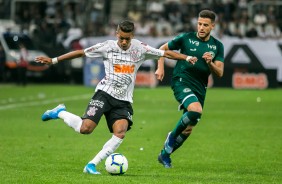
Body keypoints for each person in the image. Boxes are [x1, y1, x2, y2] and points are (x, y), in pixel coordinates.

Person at [34, 20, 197, 174]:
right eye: (121, 38)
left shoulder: (140, 48)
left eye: (127, 39)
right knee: (85, 129)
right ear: (116, 33)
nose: (124, 42)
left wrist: (186, 57)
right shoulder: (107, 46)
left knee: (120, 132)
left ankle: (91, 165)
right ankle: (59, 112)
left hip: (124, 101)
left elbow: (166, 53)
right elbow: (80, 53)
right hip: (104, 94)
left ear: (132, 36)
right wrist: (53, 60)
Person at [155, 10, 224, 168]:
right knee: (196, 110)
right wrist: (160, 67)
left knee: (188, 129)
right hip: (182, 81)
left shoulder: (217, 46)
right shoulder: (186, 38)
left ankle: (165, 154)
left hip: (200, 87)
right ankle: (171, 137)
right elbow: (162, 49)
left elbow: (219, 72)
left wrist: (210, 63)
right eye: (199, 24)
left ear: (212, 26)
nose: (201, 27)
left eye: (205, 25)